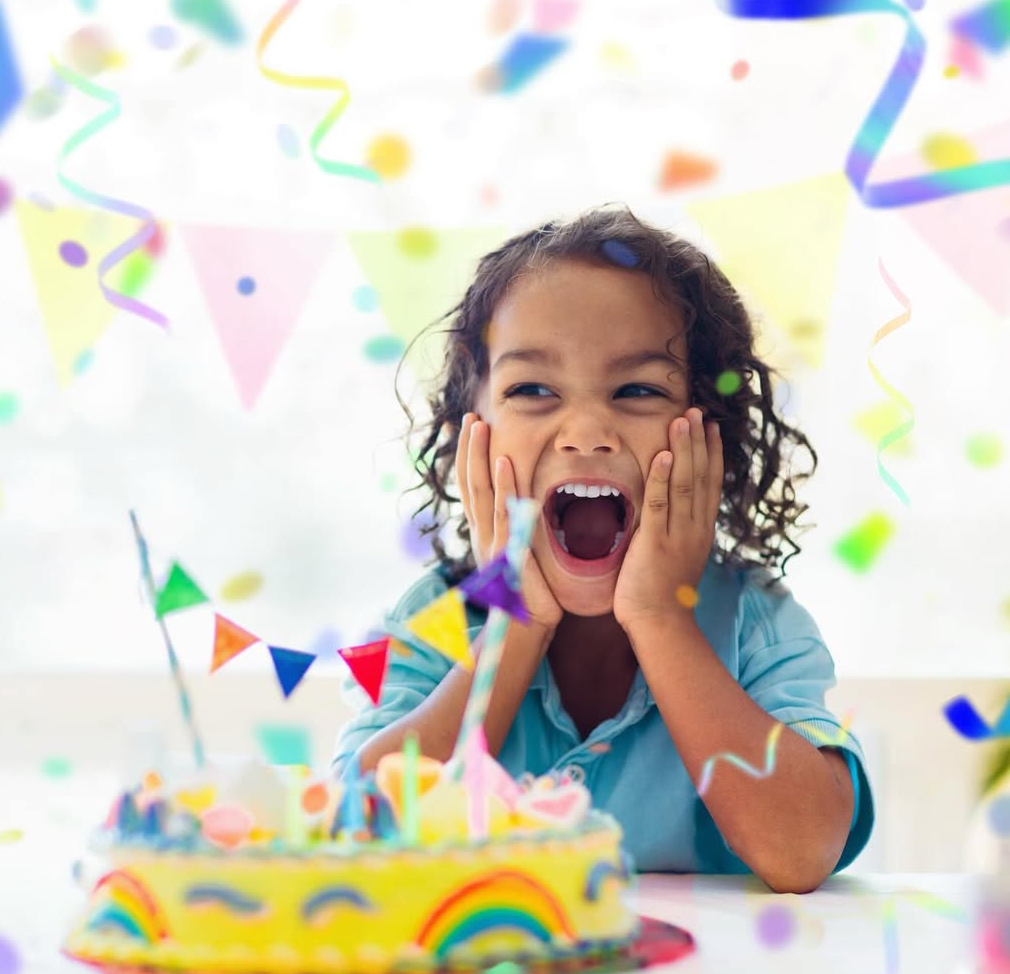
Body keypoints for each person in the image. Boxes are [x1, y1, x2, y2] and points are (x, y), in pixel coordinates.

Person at [333, 205, 873, 893]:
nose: (586, 432)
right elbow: (358, 836)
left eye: (638, 390)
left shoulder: (754, 622)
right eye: (532, 389)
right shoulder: (431, 621)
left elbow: (801, 850)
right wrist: (513, 625)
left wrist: (660, 617)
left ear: (711, 436)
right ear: (473, 438)